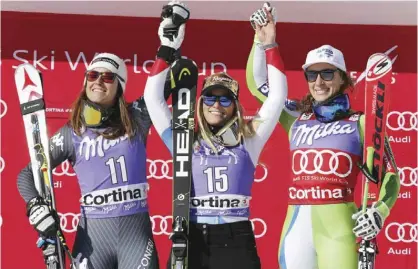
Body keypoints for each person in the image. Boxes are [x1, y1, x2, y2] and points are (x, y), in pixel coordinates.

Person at [246, 4, 401, 269]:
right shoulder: (296, 115)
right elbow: (257, 84)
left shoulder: (362, 122)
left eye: (328, 73)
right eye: (312, 74)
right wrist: (261, 41)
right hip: (296, 228)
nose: (319, 82)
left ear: (342, 78)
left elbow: (391, 175)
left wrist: (379, 212)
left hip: (340, 229)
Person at [144, 2, 288, 269]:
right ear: (200, 102)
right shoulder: (184, 141)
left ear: (235, 106)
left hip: (237, 238)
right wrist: (167, 48)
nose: (216, 105)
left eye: (225, 100)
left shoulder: (249, 138)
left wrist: (268, 44)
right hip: (191, 239)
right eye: (210, 97)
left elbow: (277, 97)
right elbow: (152, 99)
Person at [17, 52, 169, 269]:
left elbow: (164, 83)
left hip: (135, 239)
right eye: (93, 75)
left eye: (108, 77)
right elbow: (26, 174)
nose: (98, 81)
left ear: (120, 86)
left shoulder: (138, 117)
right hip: (93, 243)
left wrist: (167, 47)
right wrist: (35, 206)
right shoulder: (72, 133)